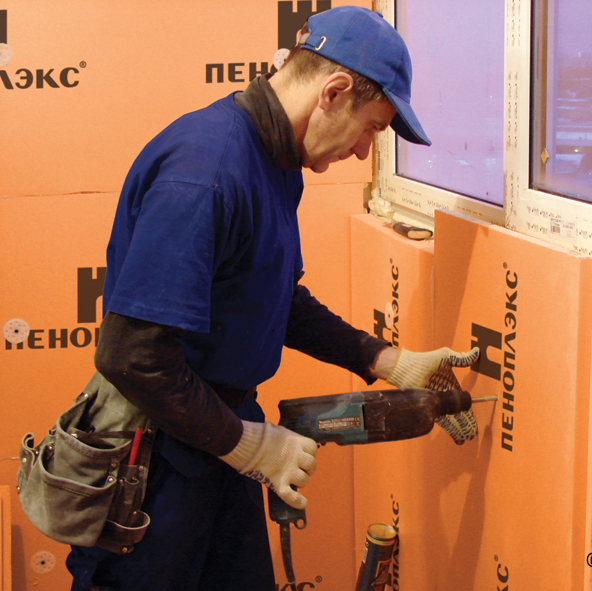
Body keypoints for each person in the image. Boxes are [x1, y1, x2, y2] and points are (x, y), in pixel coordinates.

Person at [66, 7, 478, 591]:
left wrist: (387, 360)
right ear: (334, 92)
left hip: (219, 440)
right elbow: (132, 355)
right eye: (371, 128)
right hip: (155, 460)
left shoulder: (277, 160)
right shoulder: (206, 172)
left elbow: (272, 296)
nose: (364, 152)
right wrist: (249, 446)